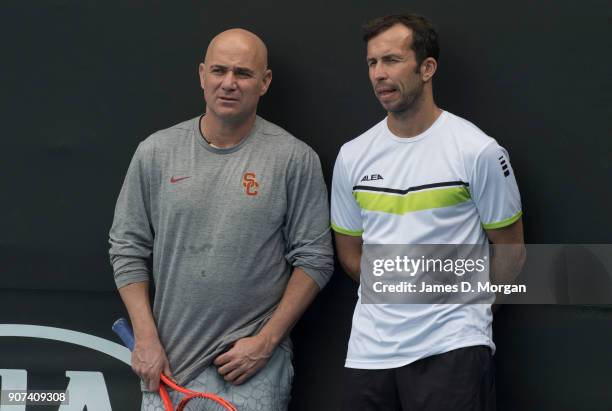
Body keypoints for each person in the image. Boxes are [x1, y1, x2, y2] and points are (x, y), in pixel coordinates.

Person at [109, 28, 333, 411]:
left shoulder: (294, 159)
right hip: (167, 366)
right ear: (201, 75)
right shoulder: (156, 152)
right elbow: (127, 248)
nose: (229, 83)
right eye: (219, 71)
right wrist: (146, 339)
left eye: (243, 74)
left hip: (250, 368)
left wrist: (265, 343)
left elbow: (315, 259)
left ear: (264, 82)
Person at [331, 14, 526, 411]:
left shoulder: (478, 151)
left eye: (392, 60)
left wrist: (467, 309)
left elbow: (511, 253)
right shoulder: (352, 156)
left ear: (427, 68)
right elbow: (350, 254)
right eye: (372, 63)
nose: (379, 74)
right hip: (369, 353)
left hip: (453, 347)